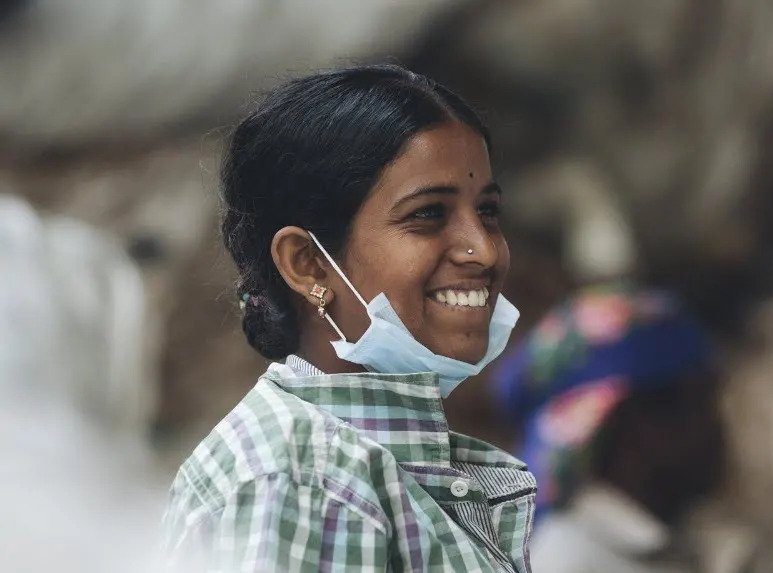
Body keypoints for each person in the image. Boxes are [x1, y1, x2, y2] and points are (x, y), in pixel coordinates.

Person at [162, 65, 534, 572]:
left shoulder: (346, 471)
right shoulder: (308, 482)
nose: (484, 251)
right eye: (428, 214)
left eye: (487, 212)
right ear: (308, 264)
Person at [494, 284, 726, 573]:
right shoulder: (568, 563)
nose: (716, 426)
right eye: (698, 404)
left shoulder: (671, 550)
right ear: (630, 421)